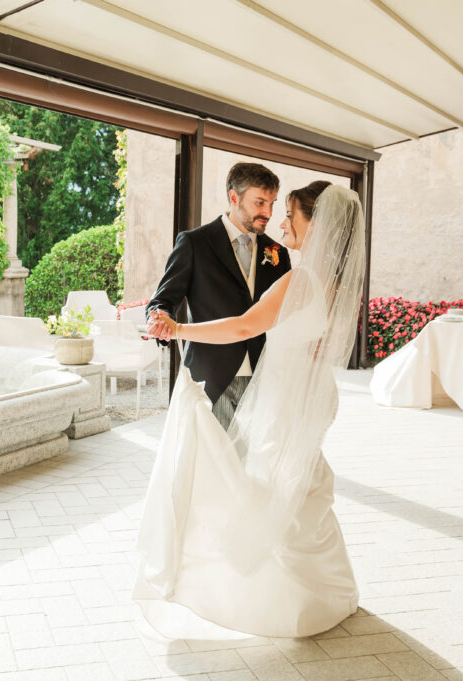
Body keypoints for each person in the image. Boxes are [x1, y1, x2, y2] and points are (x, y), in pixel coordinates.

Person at [134, 182, 365, 639]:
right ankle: (326, 590)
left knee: (273, 489)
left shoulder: (302, 278)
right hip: (308, 394)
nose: (281, 222)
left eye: (290, 214)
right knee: (298, 486)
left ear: (313, 224)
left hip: (281, 397)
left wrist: (180, 328)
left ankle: (278, 593)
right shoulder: (337, 283)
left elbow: (244, 325)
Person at [146, 163, 292, 428]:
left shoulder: (278, 254)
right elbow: (162, 300)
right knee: (215, 465)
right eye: (260, 202)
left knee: (250, 466)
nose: (268, 212)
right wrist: (160, 319)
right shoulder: (194, 244)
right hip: (210, 379)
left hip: (264, 380)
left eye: (272, 203)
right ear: (234, 197)